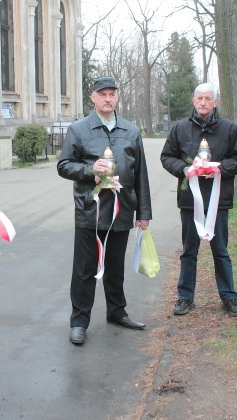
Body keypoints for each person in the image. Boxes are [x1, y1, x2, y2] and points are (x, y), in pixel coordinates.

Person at [57, 77, 152, 345]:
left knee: (115, 267)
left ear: (117, 97)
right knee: (85, 270)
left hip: (122, 210)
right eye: (103, 94)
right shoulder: (79, 129)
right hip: (90, 210)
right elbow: (64, 165)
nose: (108, 98)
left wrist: (143, 213)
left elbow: (141, 174)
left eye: (112, 94)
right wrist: (89, 170)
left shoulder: (131, 131)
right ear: (93, 98)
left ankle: (117, 312)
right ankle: (79, 321)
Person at [161, 83, 237, 317]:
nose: (203, 102)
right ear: (193, 101)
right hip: (190, 199)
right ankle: (185, 297)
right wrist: (185, 169)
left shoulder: (229, 128)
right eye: (199, 98)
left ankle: (229, 297)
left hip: (218, 199)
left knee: (220, 250)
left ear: (215, 102)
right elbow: (167, 156)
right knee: (189, 250)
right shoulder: (180, 128)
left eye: (208, 98)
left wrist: (221, 167)